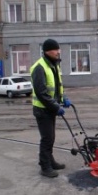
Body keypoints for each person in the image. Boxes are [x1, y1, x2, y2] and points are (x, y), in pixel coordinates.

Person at [30, 39, 71, 178]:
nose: (58, 51)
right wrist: (56, 107)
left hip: (49, 109)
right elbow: (41, 93)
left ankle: (50, 161)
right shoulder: (39, 67)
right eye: (56, 49)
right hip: (42, 110)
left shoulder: (54, 65)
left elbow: (58, 87)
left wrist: (63, 98)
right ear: (48, 51)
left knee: (51, 138)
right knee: (47, 138)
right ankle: (45, 166)